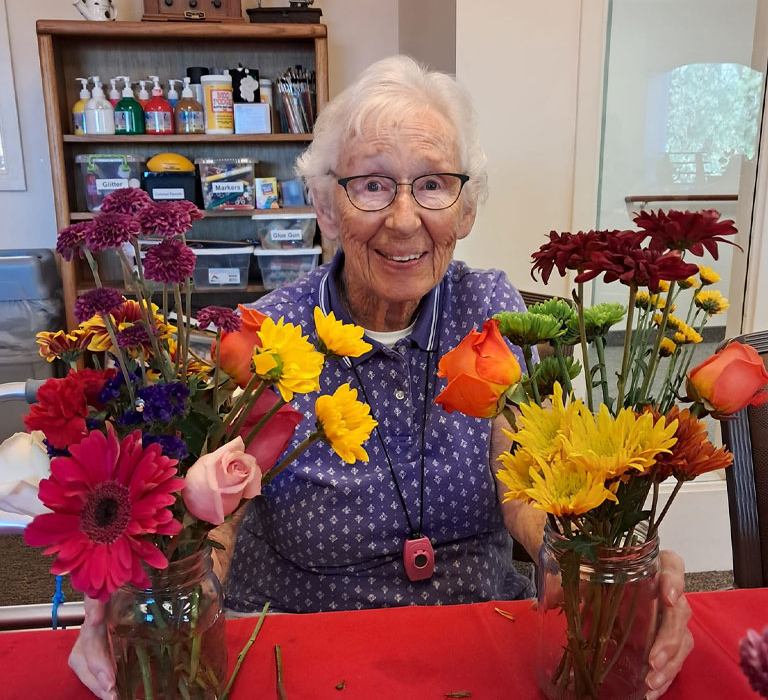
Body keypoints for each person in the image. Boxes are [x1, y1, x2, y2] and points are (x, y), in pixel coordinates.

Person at [69, 56, 692, 700]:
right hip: (305, 646)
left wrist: (602, 570)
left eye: (431, 185)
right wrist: (154, 602)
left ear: (466, 209)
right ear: (325, 206)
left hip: (479, 634)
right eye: (371, 185)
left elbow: (527, 488)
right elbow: (214, 521)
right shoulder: (266, 337)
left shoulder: (492, 312)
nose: (402, 219)